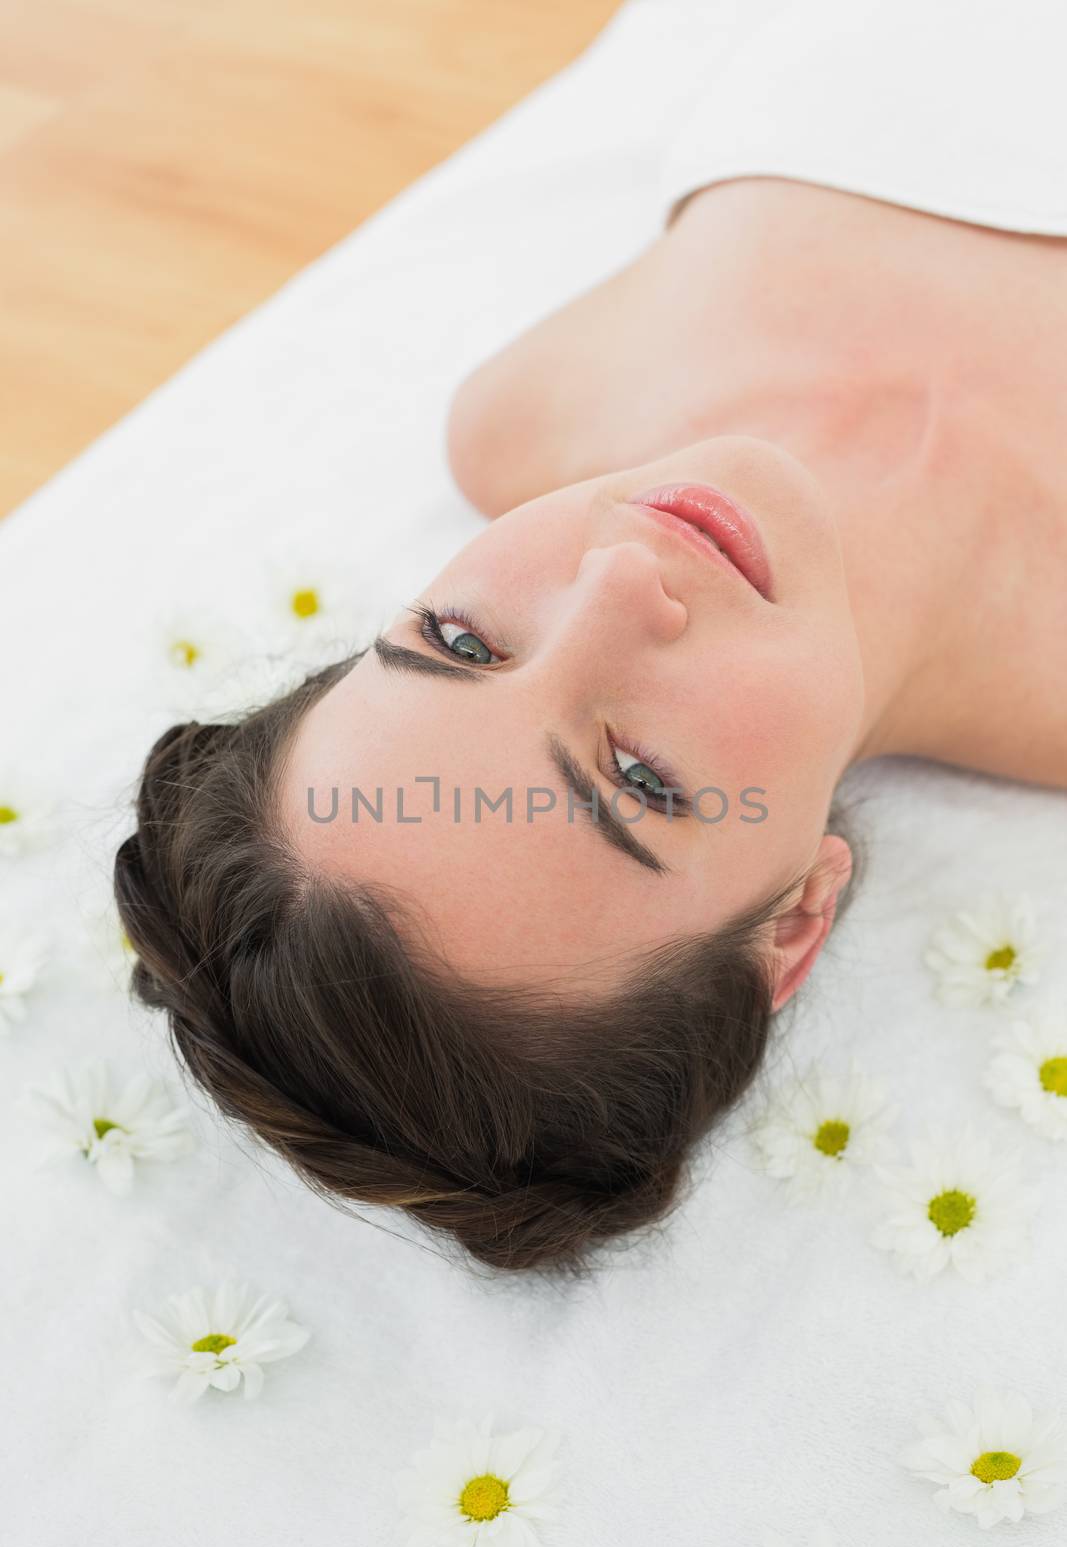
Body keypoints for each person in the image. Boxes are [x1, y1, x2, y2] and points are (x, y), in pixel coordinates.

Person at [115, 0, 1067, 1278]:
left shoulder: (515, 416)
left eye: (457, 640)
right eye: (640, 780)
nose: (620, 579)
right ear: (792, 923)